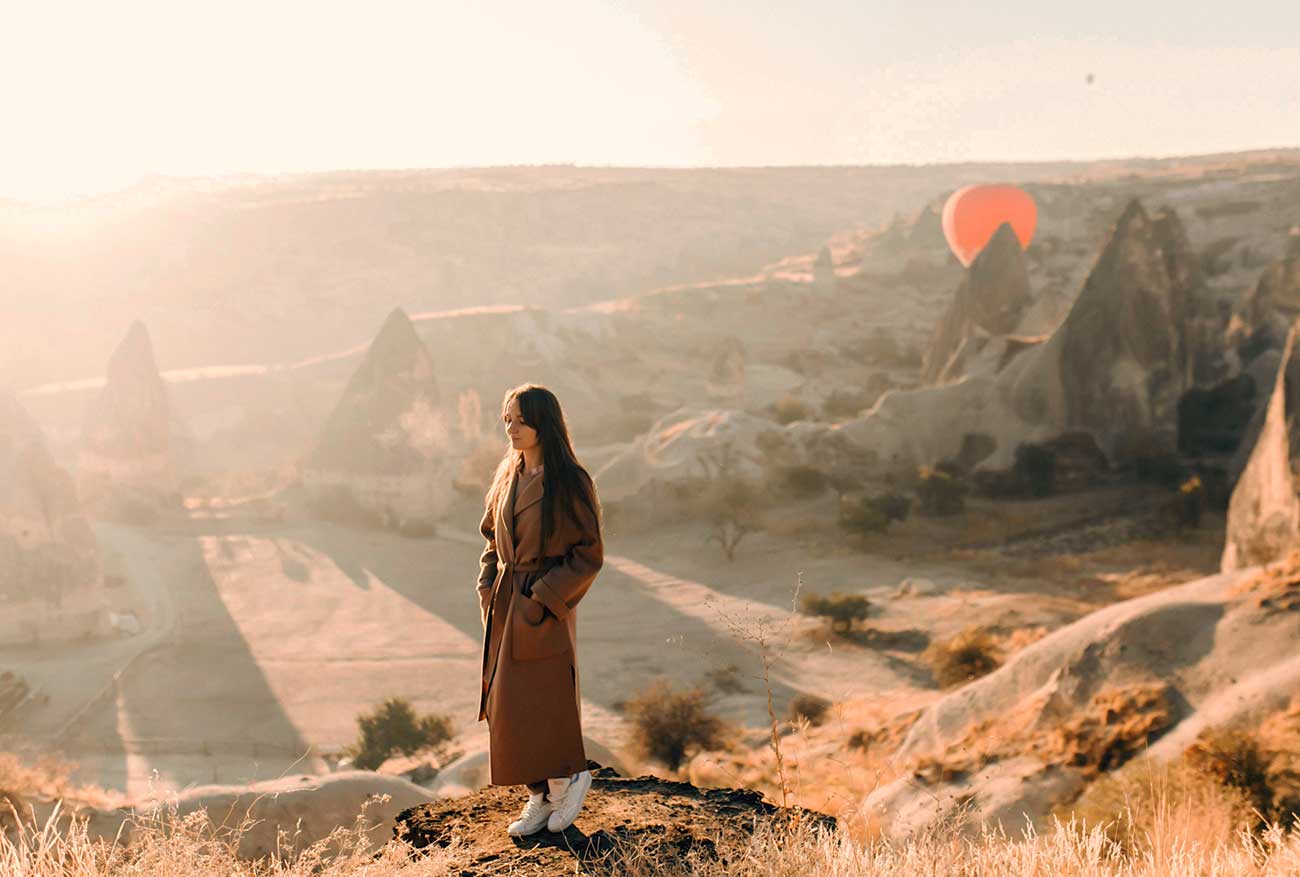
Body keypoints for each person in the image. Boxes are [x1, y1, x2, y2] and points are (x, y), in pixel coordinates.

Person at [476, 383, 604, 836]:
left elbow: (588, 555)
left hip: (544, 602)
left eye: (520, 420)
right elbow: (492, 537)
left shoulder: (570, 481)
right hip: (508, 599)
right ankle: (539, 796)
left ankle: (570, 776)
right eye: (507, 418)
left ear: (542, 423)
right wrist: (488, 584)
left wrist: (543, 600)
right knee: (505, 704)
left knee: (544, 699)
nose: (510, 428)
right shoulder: (507, 474)